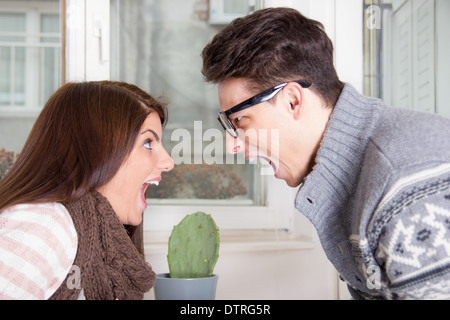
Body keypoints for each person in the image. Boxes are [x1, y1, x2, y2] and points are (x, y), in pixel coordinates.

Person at [201, 7, 450, 299]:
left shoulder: (402, 181)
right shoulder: (353, 181)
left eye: (240, 121)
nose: (234, 146)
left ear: (292, 101)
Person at [0, 81, 174, 299]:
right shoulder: (46, 223)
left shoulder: (95, 234)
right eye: (148, 143)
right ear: (98, 151)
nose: (168, 162)